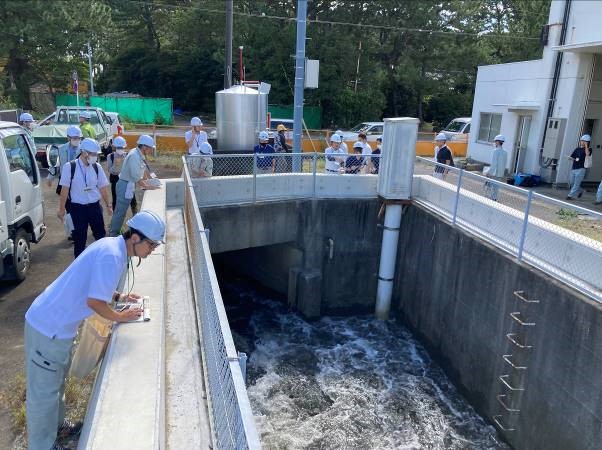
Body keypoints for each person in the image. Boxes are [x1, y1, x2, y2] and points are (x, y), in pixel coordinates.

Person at [24, 210, 165, 450]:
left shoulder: (113, 247)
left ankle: (58, 429)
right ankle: (42, 446)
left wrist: (119, 296)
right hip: (48, 328)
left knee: (56, 385)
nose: (151, 250)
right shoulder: (112, 256)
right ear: (135, 238)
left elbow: (95, 285)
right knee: (42, 397)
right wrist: (121, 316)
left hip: (57, 327)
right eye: (151, 245)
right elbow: (94, 303)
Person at [57, 138, 112, 258]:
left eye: (96, 154)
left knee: (101, 237)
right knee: (79, 241)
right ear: (84, 152)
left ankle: (101, 262)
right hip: (77, 209)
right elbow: (64, 190)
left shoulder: (97, 167)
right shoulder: (69, 167)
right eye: (93, 154)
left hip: (95, 208)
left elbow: (103, 187)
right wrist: (61, 209)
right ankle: (79, 269)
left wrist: (108, 205)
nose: (95, 157)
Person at [109, 135, 159, 236]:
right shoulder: (134, 156)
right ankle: (113, 234)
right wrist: (149, 187)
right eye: (150, 148)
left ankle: (116, 231)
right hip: (124, 185)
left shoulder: (139, 154)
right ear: (144, 147)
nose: (150, 151)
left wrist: (149, 181)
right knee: (120, 213)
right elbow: (137, 177)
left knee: (122, 211)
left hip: (128, 185)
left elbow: (142, 170)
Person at [107, 136, 137, 214]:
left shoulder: (128, 155)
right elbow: (109, 170)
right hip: (115, 180)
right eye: (118, 147)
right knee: (115, 199)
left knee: (132, 198)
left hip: (127, 180)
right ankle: (115, 218)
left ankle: (135, 214)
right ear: (114, 147)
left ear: (124, 147)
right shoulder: (110, 156)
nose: (120, 149)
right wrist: (116, 165)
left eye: (121, 147)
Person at [566, 134, 592, 200]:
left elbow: (587, 154)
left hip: (581, 168)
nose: (581, 141)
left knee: (576, 183)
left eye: (583, 140)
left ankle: (570, 196)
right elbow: (572, 157)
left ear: (586, 141)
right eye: (581, 140)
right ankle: (581, 191)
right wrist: (570, 158)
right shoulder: (577, 149)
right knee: (572, 183)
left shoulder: (589, 149)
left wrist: (586, 145)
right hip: (574, 167)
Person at [485, 134, 508, 201]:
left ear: (498, 142)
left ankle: (491, 200)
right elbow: (504, 163)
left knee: (490, 187)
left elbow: (494, 164)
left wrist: (489, 172)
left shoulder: (495, 151)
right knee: (496, 188)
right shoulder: (505, 152)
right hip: (500, 173)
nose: (494, 143)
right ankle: (494, 199)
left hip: (494, 173)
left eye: (495, 141)